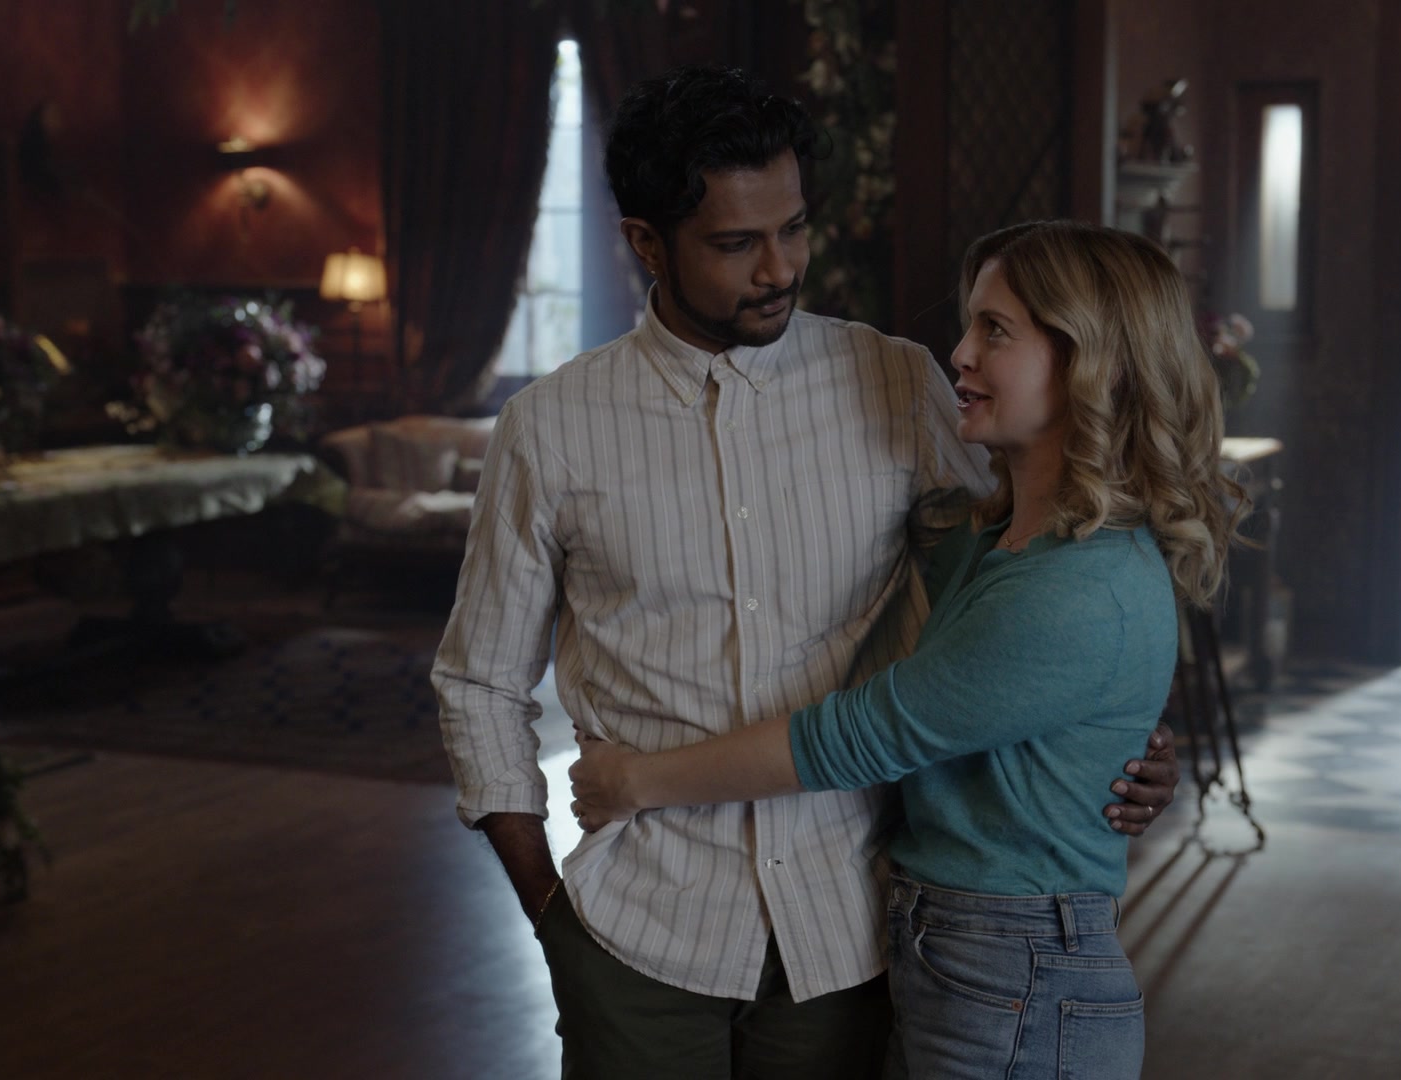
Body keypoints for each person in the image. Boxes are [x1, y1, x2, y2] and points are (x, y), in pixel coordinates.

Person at [432, 66, 1179, 1080]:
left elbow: (1018, 583)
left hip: (851, 930)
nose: (779, 267)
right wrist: (550, 912)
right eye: (736, 243)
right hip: (636, 935)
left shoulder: (897, 380)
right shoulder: (549, 428)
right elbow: (479, 682)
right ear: (646, 241)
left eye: (794, 228)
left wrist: (1115, 741)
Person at [570, 219, 1246, 1080]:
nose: (959, 355)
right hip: (968, 962)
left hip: (1016, 977)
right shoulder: (999, 540)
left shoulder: (1078, 589)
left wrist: (633, 782)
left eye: (996, 330)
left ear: (1090, 361)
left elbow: (857, 737)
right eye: (970, 324)